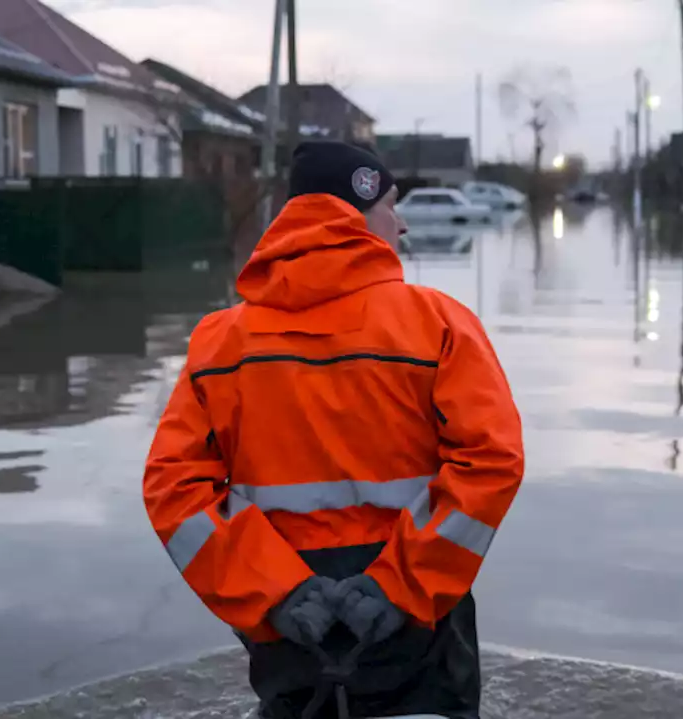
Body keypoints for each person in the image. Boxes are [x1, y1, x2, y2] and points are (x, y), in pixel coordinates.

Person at [144, 141, 524, 719]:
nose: (398, 223)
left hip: (287, 631)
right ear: (357, 209)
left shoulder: (219, 343)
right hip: (417, 628)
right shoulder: (439, 324)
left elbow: (175, 488)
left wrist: (276, 592)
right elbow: (492, 461)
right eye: (390, 205)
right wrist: (400, 585)